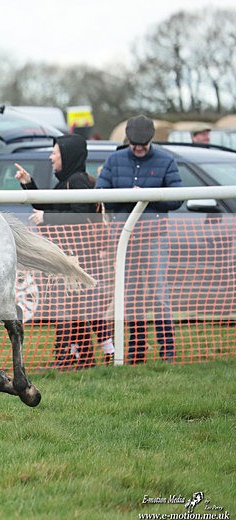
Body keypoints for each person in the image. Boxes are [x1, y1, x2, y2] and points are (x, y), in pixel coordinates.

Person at [14, 134, 115, 368]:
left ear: (67, 155)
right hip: (69, 258)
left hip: (80, 259)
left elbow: (80, 215)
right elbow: (49, 206)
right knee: (77, 309)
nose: (51, 157)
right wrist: (29, 183)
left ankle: (102, 352)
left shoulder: (78, 180)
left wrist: (46, 217)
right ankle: (79, 356)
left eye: (55, 152)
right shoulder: (67, 180)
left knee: (84, 308)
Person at [96, 115, 183, 364]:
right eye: (134, 143)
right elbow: (101, 194)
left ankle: (167, 349)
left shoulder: (166, 161)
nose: (138, 148)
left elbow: (177, 198)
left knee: (158, 293)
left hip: (155, 237)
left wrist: (148, 197)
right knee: (130, 294)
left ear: (150, 140)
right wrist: (127, 196)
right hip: (125, 239)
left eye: (142, 144)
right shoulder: (114, 160)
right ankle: (136, 348)